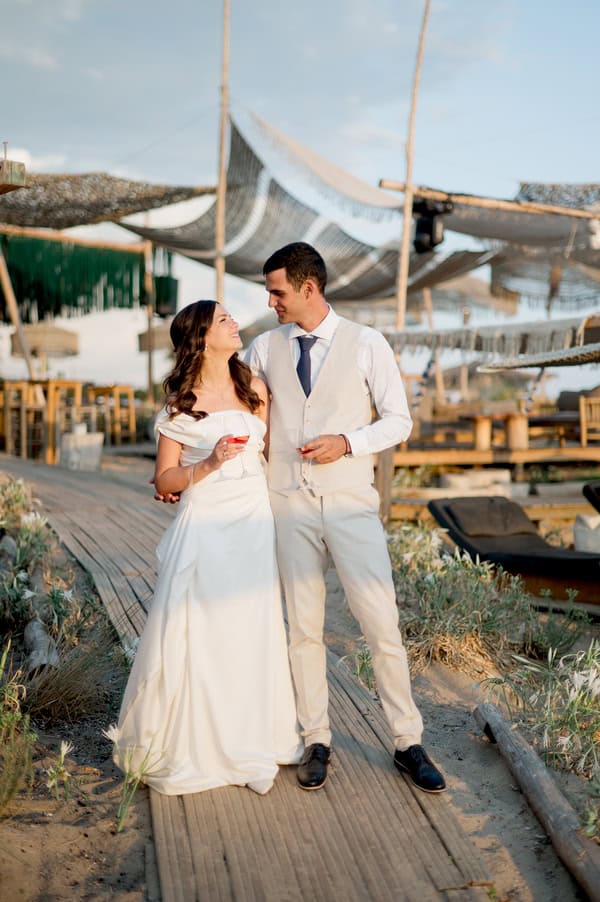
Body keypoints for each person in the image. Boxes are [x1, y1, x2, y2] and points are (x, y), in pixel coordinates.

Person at [245, 242, 446, 794]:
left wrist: (348, 442)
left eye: (278, 290)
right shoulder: (263, 347)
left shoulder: (367, 343)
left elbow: (398, 421)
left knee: (381, 625)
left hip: (352, 505)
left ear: (309, 288)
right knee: (303, 629)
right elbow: (234, 407)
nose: (271, 300)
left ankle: (408, 742)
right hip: (288, 502)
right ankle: (316, 738)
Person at [112, 299, 302, 796]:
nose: (235, 323)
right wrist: (210, 463)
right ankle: (199, 743)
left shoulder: (254, 388)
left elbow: (275, 451)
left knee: (251, 623)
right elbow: (166, 476)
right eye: (224, 320)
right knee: (203, 626)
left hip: (254, 519)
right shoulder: (182, 402)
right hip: (208, 519)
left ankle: (254, 735)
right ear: (200, 336)